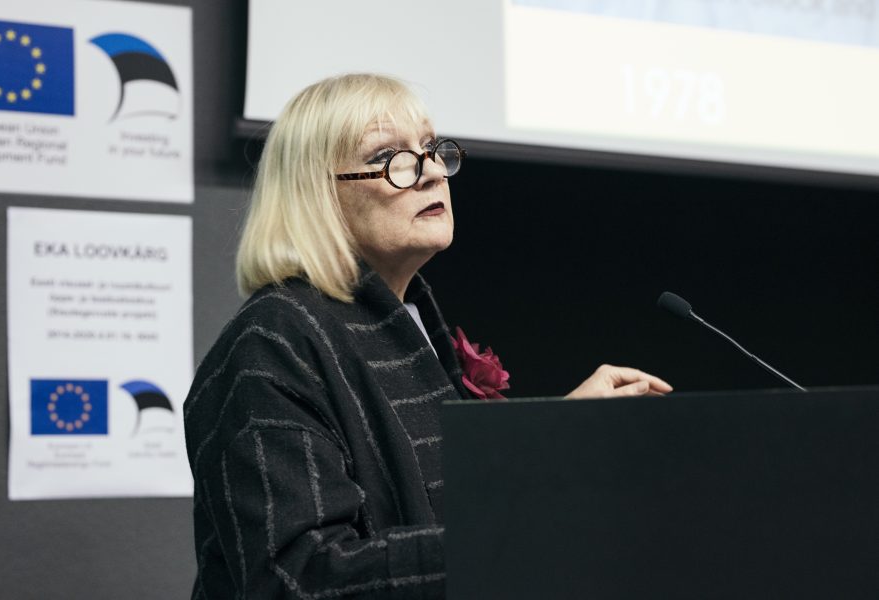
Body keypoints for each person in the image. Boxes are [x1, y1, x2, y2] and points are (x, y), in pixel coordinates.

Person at [183, 73, 672, 599]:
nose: (434, 172)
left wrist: (559, 435)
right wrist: (525, 538)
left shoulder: (406, 322)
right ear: (317, 194)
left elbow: (448, 503)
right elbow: (298, 578)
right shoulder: (273, 342)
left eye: (432, 148)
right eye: (389, 156)